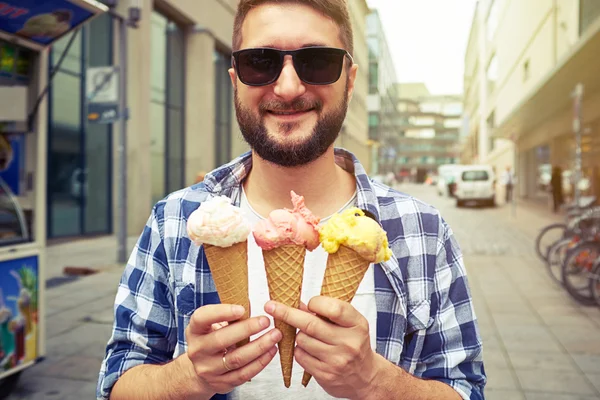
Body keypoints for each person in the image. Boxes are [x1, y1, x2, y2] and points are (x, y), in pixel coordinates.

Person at [97, 1, 486, 399]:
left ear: (350, 80)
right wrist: (188, 377)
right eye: (260, 62)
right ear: (235, 80)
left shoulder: (422, 229)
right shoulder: (175, 219)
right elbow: (117, 383)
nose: (287, 87)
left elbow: (465, 388)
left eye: (317, 61)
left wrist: (376, 382)